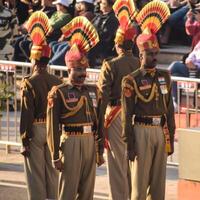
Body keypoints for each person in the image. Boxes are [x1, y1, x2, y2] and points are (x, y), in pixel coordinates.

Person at [121, 1, 175, 200]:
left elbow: (169, 108)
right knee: (139, 184)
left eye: (156, 53)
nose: (154, 57)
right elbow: (126, 115)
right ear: (140, 54)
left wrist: (171, 135)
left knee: (159, 184)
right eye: (150, 54)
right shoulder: (131, 80)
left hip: (160, 131)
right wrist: (129, 144)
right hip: (140, 131)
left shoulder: (165, 76)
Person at [46, 16, 104, 200]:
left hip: (89, 142)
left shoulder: (93, 91)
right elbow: (52, 126)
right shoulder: (58, 92)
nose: (82, 74)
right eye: (77, 70)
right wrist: (55, 154)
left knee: (88, 189)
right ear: (68, 70)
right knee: (68, 188)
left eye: (84, 70)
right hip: (70, 141)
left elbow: (99, 122)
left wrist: (100, 149)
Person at [97, 0, 140, 199]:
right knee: (133, 161)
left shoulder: (110, 65)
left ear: (117, 44)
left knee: (116, 162)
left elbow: (102, 96)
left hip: (115, 115)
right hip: (137, 115)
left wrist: (99, 124)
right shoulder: (140, 63)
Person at [19, 11, 61, 200]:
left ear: (34, 60)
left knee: (35, 173)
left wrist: (24, 139)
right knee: (52, 170)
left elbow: (26, 113)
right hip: (53, 129)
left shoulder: (29, 82)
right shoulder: (57, 80)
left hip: (35, 129)